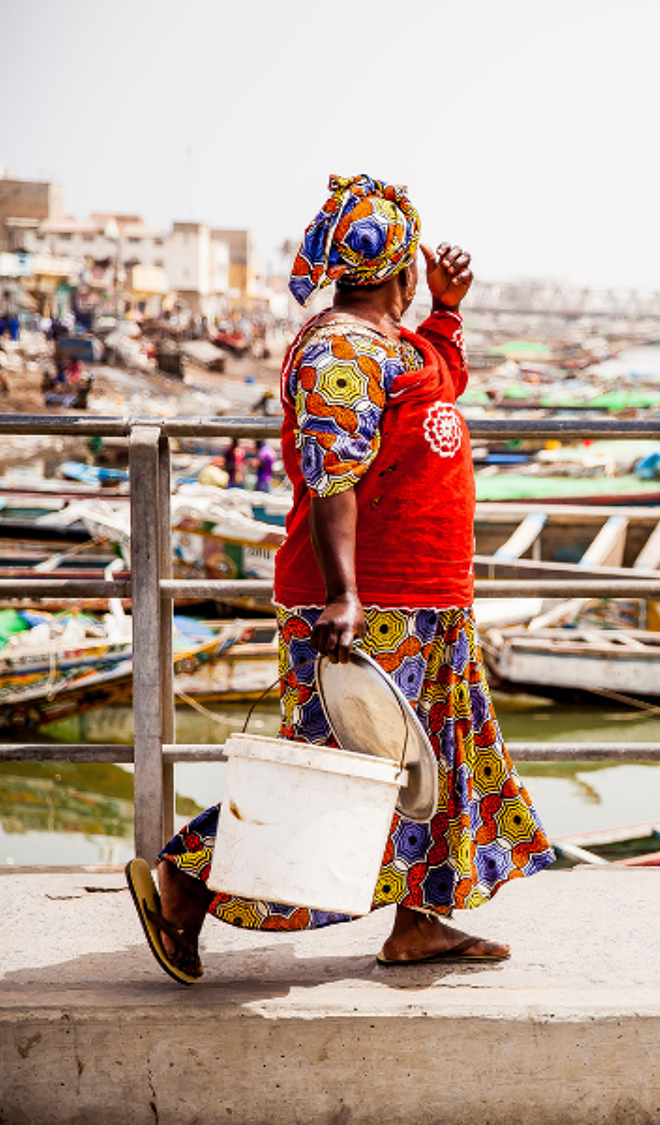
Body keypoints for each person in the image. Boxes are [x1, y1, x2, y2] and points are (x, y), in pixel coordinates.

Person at [126, 174, 554, 983]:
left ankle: (421, 920)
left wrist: (452, 308)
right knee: (334, 771)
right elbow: (332, 479)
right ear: (400, 268)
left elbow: (441, 379)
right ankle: (182, 886)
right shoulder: (337, 351)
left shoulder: (393, 345)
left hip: (428, 600)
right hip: (373, 604)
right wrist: (345, 593)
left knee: (436, 764)